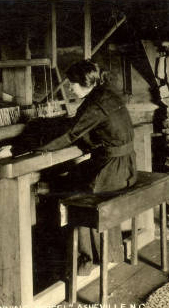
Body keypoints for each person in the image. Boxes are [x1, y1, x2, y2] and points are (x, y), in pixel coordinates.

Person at [36, 59, 137, 275]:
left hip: (113, 169)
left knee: (70, 192)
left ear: (82, 81)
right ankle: (108, 253)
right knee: (70, 177)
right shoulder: (105, 94)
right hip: (125, 165)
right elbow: (85, 126)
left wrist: (34, 150)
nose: (69, 88)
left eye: (71, 83)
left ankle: (85, 260)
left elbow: (70, 133)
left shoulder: (94, 104)